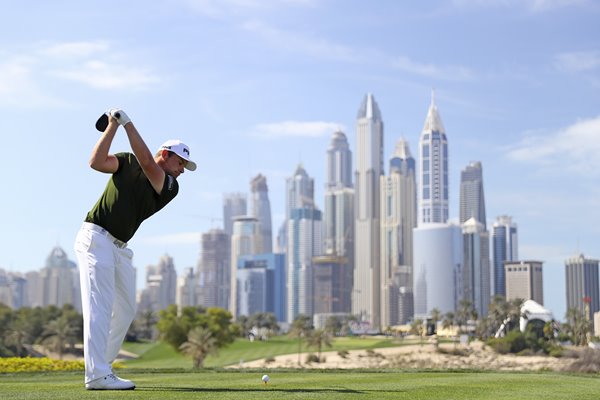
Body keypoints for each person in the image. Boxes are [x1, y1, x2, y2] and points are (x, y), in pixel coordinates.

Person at [74, 108, 196, 390]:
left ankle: (103, 366)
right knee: (99, 306)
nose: (182, 170)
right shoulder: (126, 161)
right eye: (181, 162)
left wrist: (127, 123)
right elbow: (95, 162)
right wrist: (113, 126)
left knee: (126, 309)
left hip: (119, 248)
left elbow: (147, 163)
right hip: (96, 238)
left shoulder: (169, 186)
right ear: (166, 154)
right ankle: (96, 375)